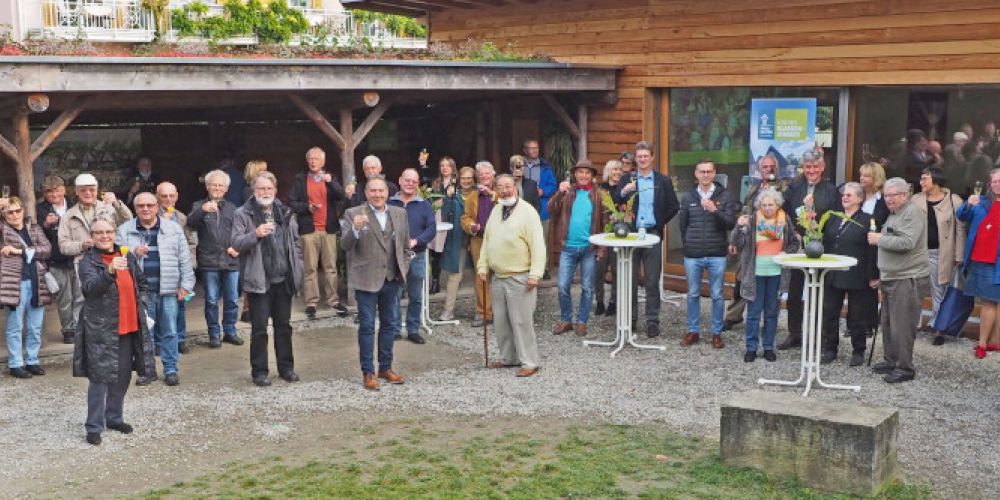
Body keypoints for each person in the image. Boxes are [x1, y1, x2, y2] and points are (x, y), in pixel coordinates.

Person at [73, 219, 156, 446]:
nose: (104, 236)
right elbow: (90, 289)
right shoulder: (88, 261)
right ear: (92, 235)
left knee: (122, 377)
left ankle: (114, 418)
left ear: (114, 233)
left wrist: (144, 305)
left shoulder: (126, 255)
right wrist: (109, 272)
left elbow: (142, 283)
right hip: (101, 329)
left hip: (129, 326)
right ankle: (93, 426)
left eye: (108, 231)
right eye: (99, 232)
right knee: (100, 379)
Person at [231, 172, 303, 387]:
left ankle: (286, 368)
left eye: (269, 189)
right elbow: (235, 243)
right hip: (259, 280)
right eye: (261, 189)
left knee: (284, 326)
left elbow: (296, 242)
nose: (265, 192)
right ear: (254, 191)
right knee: (259, 329)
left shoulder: (285, 211)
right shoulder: (242, 213)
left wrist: (297, 266)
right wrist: (256, 234)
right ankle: (260, 371)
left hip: (283, 279)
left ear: (275, 190)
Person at [116, 192, 195, 387]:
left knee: (170, 331)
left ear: (157, 206)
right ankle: (148, 370)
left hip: (168, 288)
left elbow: (184, 259)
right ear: (135, 209)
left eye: (149, 205)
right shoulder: (125, 230)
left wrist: (186, 285)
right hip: (140, 291)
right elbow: (117, 259)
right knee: (145, 333)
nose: (145, 209)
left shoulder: (173, 228)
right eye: (141, 206)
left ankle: (170, 370)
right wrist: (134, 252)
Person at [342, 178, 411, 390]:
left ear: (387, 192)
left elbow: (406, 246)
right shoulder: (354, 213)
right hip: (366, 279)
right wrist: (354, 230)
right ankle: (368, 372)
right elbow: (345, 245)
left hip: (392, 278)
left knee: (390, 325)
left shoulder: (399, 214)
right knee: (367, 327)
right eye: (373, 191)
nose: (378, 194)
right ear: (366, 192)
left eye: (381, 190)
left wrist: (404, 267)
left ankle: (385, 367)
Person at [477, 174, 546, 378]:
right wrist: (483, 266)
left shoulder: (528, 212)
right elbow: (487, 240)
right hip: (498, 276)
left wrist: (536, 273)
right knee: (501, 321)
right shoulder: (496, 209)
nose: (505, 190)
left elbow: (538, 246)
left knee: (521, 322)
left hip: (521, 277)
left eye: (508, 186)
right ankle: (509, 358)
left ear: (515, 187)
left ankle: (530, 362)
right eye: (501, 187)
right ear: (496, 189)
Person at [613, 141, 680, 337]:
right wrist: (624, 191)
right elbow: (616, 199)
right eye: (639, 156)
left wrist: (660, 223)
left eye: (645, 156)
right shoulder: (628, 178)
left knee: (651, 280)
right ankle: (630, 320)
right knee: (630, 280)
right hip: (631, 235)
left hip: (652, 234)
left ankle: (652, 320)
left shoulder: (662, 181)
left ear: (652, 157)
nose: (642, 159)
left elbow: (673, 206)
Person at [777, 151, 842, 350]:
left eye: (815, 166)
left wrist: (819, 234)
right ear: (803, 168)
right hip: (798, 246)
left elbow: (836, 217)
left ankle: (821, 336)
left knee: (821, 294)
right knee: (795, 292)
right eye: (808, 167)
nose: (811, 170)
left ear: (822, 167)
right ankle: (794, 333)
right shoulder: (794, 188)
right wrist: (793, 234)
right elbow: (784, 213)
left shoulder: (831, 191)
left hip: (821, 246)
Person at [868, 177, 929, 383]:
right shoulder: (894, 214)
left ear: (904, 195)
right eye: (885, 195)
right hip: (891, 277)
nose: (888, 199)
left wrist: (879, 239)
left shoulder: (913, 213)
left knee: (902, 326)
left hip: (907, 278)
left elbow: (908, 242)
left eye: (892, 195)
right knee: (888, 323)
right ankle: (891, 360)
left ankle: (905, 368)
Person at [58, 173, 133, 339]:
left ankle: (111, 332)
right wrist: (81, 245)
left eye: (91, 190)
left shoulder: (107, 207)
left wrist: (115, 202)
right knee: (82, 299)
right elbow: (63, 246)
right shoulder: (68, 215)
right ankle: (83, 335)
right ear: (76, 192)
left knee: (112, 295)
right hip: (83, 262)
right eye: (83, 190)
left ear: (97, 190)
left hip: (110, 259)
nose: (88, 193)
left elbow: (128, 219)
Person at [677, 159, 738, 348]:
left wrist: (715, 210)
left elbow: (730, 223)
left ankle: (716, 333)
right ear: (696, 174)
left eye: (709, 172)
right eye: (701, 171)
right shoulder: (688, 197)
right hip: (693, 254)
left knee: (717, 295)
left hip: (716, 253)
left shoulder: (725, 196)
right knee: (693, 293)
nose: (705, 175)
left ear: (714, 174)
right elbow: (682, 225)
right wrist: (688, 245)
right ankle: (693, 331)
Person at [731, 188, 797, 362]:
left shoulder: (785, 220)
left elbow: (794, 243)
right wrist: (739, 227)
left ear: (778, 205)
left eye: (771, 204)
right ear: (759, 205)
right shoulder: (752, 220)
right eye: (764, 204)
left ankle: (768, 347)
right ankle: (751, 348)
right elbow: (737, 242)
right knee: (753, 313)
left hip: (776, 273)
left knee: (771, 312)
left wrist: (786, 254)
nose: (768, 208)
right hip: (755, 274)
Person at [723, 153, 786, 332]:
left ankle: (770, 322)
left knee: (772, 287)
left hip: (773, 242)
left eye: (771, 167)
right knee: (742, 279)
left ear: (777, 168)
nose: (768, 170)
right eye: (765, 167)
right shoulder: (754, 187)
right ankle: (733, 316)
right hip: (751, 241)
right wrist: (735, 238)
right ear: (760, 169)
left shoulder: (784, 187)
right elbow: (744, 213)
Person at [819, 183, 878, 366]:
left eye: (849, 195)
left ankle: (858, 351)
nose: (845, 198)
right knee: (830, 313)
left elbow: (872, 250)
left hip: (857, 274)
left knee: (857, 315)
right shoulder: (832, 218)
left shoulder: (869, 220)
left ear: (860, 199)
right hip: (832, 273)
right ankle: (830, 349)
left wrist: (874, 275)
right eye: (843, 195)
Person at [288, 147, 348, 319]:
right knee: (310, 268)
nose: (313, 161)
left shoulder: (331, 177)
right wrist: (306, 207)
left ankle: (333, 301)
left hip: (328, 228)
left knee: (330, 267)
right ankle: (311, 303)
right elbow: (292, 202)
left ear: (323, 161)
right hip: (308, 229)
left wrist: (331, 182)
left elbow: (341, 196)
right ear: (307, 161)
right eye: (311, 159)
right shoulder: (300, 179)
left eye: (317, 159)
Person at [188, 169, 244, 348]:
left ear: (226, 189)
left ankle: (230, 331)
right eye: (214, 184)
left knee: (232, 299)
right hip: (209, 260)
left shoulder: (233, 208)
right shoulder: (198, 205)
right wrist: (202, 211)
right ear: (207, 186)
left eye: (221, 185)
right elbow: (190, 223)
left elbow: (241, 232)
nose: (217, 188)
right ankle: (213, 334)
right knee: (211, 300)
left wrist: (238, 248)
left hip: (230, 259)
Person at [548, 159, 604, 337]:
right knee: (563, 286)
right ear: (575, 174)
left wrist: (601, 248)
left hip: (590, 248)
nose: (584, 176)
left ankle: (582, 321)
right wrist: (559, 193)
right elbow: (551, 209)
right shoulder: (568, 192)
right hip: (568, 247)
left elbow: (605, 222)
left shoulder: (599, 194)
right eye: (580, 172)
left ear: (592, 176)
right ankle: (566, 320)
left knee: (587, 288)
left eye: (587, 173)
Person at [911, 167, 966, 345]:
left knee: (939, 291)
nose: (921, 182)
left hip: (940, 254)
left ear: (936, 180)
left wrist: (959, 254)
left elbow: (960, 229)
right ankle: (913, 325)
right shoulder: (915, 199)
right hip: (917, 253)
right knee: (914, 290)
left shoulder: (953, 200)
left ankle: (938, 328)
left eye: (924, 178)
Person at [1, 197, 53, 378]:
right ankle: (15, 364)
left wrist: (19, 251)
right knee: (15, 326)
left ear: (23, 211)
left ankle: (32, 360)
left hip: (36, 282)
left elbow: (47, 249)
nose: (14, 215)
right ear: (4, 214)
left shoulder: (34, 228)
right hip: (14, 283)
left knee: (35, 326)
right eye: (9, 212)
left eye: (17, 211)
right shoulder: (2, 230)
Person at [389, 168, 436, 344]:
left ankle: (413, 330)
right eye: (407, 180)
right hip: (394, 256)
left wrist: (417, 241)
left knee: (415, 296)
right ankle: (394, 329)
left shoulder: (424, 205)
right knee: (394, 294)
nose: (410, 184)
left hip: (417, 255)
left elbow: (431, 228)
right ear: (400, 181)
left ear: (418, 184)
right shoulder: (390, 202)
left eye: (414, 181)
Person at [956, 168, 1000, 359]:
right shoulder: (981, 202)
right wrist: (967, 204)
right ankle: (983, 343)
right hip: (982, 259)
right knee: (989, 302)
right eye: (994, 181)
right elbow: (962, 216)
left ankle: (994, 342)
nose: (996, 184)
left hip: (997, 260)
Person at [156, 181, 197, 354]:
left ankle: (180, 339)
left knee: (180, 305)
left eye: (171, 195)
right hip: (160, 268)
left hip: (180, 269)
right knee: (160, 307)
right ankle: (159, 342)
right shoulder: (151, 215)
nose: (168, 199)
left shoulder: (182, 217)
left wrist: (192, 262)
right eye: (164, 196)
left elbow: (191, 241)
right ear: (157, 197)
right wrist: (160, 224)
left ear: (177, 196)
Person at [36, 175, 76, 344]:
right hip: (56, 261)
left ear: (64, 189)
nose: (54, 194)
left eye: (57, 190)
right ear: (44, 193)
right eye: (49, 191)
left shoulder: (75, 205)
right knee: (64, 298)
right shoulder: (40, 210)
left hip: (77, 257)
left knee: (81, 296)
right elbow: (35, 236)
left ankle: (80, 328)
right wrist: (45, 224)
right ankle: (69, 331)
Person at [460, 161, 497, 328]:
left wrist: (491, 194)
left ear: (493, 175)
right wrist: (471, 226)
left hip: (500, 241)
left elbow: (510, 202)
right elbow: (465, 217)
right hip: (479, 240)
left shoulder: (500, 191)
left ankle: (502, 312)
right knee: (481, 275)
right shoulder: (473, 196)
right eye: (481, 175)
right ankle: (484, 313)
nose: (484, 177)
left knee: (502, 275)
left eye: (487, 174)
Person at [438, 166, 474, 321]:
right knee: (455, 275)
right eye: (464, 178)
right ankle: (448, 309)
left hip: (477, 238)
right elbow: (445, 215)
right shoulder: (454, 195)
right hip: (459, 239)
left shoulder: (479, 194)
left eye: (469, 178)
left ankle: (483, 311)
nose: (466, 181)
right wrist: (447, 199)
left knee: (481, 275)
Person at [238, 160, 269, 323]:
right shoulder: (248, 191)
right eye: (263, 170)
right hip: (252, 234)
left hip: (262, 233)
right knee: (251, 273)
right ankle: (247, 309)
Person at [594, 159, 623, 317]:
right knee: (599, 270)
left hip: (618, 235)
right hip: (602, 235)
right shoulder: (599, 189)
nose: (617, 173)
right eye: (614, 170)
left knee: (617, 270)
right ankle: (599, 301)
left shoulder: (624, 189)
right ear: (608, 172)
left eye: (619, 170)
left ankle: (613, 302)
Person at [428, 156, 458, 295]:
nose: (444, 168)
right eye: (442, 165)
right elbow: (428, 199)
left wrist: (446, 199)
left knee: (450, 248)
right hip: (437, 217)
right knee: (435, 251)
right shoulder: (435, 183)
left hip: (451, 217)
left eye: (447, 165)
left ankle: (453, 280)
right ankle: (435, 281)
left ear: (453, 168)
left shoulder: (457, 183)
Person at [522, 139, 557, 242]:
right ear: (525, 150)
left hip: (542, 209)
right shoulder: (519, 165)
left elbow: (553, 186)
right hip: (523, 208)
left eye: (536, 148)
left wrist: (543, 191)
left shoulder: (546, 167)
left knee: (541, 241)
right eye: (531, 148)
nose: (534, 150)